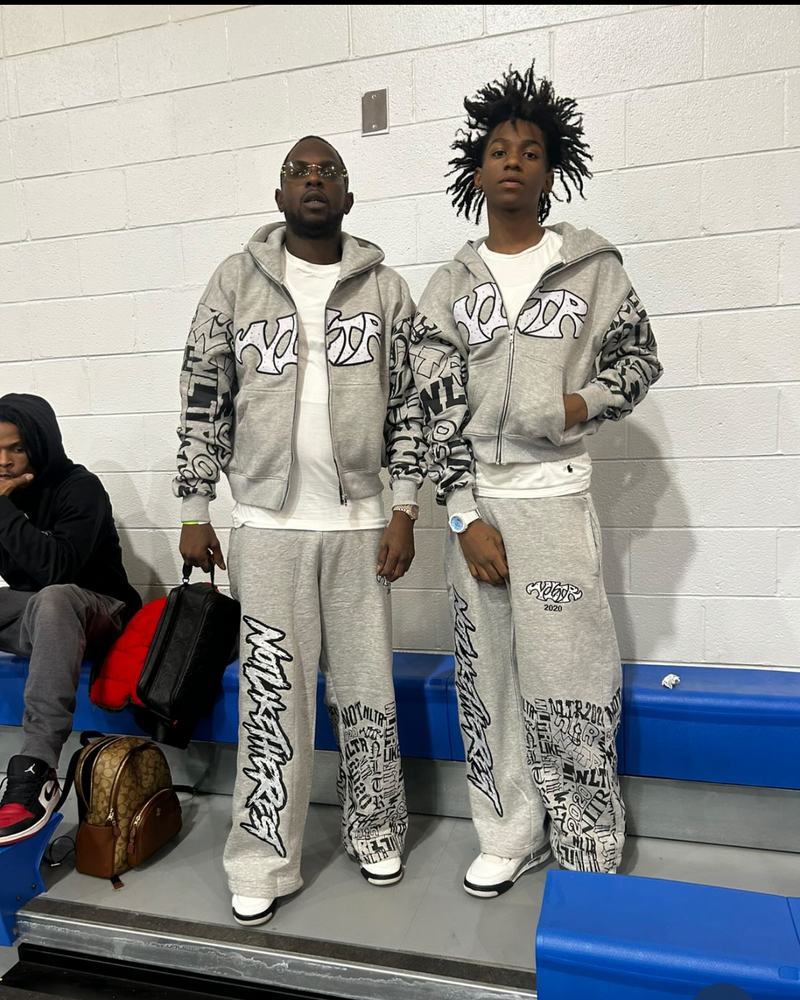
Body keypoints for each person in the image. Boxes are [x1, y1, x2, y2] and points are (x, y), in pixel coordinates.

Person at [410, 63, 663, 894]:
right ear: (477, 171)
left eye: (529, 151)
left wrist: (577, 402)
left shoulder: (592, 268)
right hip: (479, 508)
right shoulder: (449, 286)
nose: (512, 161)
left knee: (571, 676)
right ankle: (508, 832)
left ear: (552, 172)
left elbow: (638, 360)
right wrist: (460, 515)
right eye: (498, 151)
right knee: (489, 680)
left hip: (555, 499)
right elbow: (432, 404)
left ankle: (586, 842)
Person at [176, 135, 425, 926]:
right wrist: (194, 508)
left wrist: (406, 506)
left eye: (329, 172)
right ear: (279, 195)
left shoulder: (387, 290)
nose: (314, 180)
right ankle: (262, 858)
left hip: (361, 525)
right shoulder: (236, 280)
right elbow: (202, 392)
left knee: (366, 690)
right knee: (272, 697)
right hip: (268, 526)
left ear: (348, 197)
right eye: (299, 171)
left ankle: (376, 829)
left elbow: (411, 406)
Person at [0, 393, 141, 846]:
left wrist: (2, 511)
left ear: (40, 444)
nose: (3, 461)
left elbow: (55, 570)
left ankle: (37, 770)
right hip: (40, 615)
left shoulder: (80, 488)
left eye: (16, 448)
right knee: (47, 604)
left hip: (101, 612)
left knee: (56, 598)